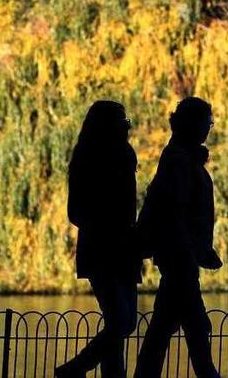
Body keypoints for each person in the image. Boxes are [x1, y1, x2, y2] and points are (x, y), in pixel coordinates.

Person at [134, 97, 223, 378]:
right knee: (195, 327)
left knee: (165, 327)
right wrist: (195, 249)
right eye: (206, 123)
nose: (209, 129)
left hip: (180, 256)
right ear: (192, 125)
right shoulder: (180, 162)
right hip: (180, 257)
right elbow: (177, 212)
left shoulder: (179, 158)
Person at [56, 101, 141, 378]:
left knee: (121, 321)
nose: (125, 123)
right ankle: (75, 368)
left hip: (123, 248)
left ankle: (109, 374)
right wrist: (110, 226)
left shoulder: (124, 155)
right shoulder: (88, 158)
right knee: (121, 320)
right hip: (104, 248)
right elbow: (76, 211)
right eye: (120, 119)